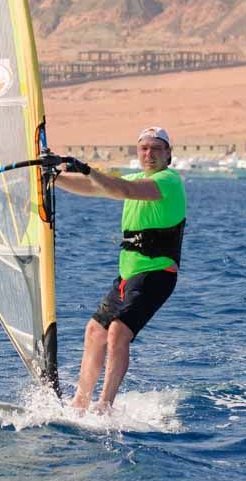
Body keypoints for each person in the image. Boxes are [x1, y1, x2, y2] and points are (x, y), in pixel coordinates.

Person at [57, 126, 186, 413]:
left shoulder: (169, 180)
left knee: (118, 331)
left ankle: (105, 405)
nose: (149, 154)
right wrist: (54, 178)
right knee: (95, 330)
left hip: (157, 274)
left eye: (156, 149)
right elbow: (93, 187)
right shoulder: (136, 177)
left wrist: (87, 169)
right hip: (127, 276)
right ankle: (79, 403)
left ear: (168, 154)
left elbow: (122, 190)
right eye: (144, 148)